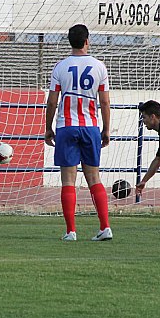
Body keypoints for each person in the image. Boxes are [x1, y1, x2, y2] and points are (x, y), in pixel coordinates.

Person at [44, 24, 112, 241]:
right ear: (87, 41)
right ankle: (105, 227)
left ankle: (71, 231)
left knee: (68, 180)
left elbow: (52, 100)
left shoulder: (60, 67)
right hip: (90, 127)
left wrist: (48, 128)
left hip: (66, 126)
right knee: (94, 178)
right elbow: (105, 101)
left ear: (69, 41)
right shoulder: (99, 67)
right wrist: (106, 129)